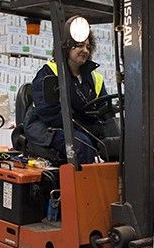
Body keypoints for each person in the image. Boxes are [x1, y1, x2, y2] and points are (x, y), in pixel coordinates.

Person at [24, 22, 106, 164]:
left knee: (117, 140)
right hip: (45, 127)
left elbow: (103, 107)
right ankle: (84, 185)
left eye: (88, 46)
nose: (85, 50)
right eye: (80, 45)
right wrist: (82, 127)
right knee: (82, 145)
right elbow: (48, 111)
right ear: (66, 46)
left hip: (79, 126)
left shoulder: (94, 77)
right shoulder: (49, 73)